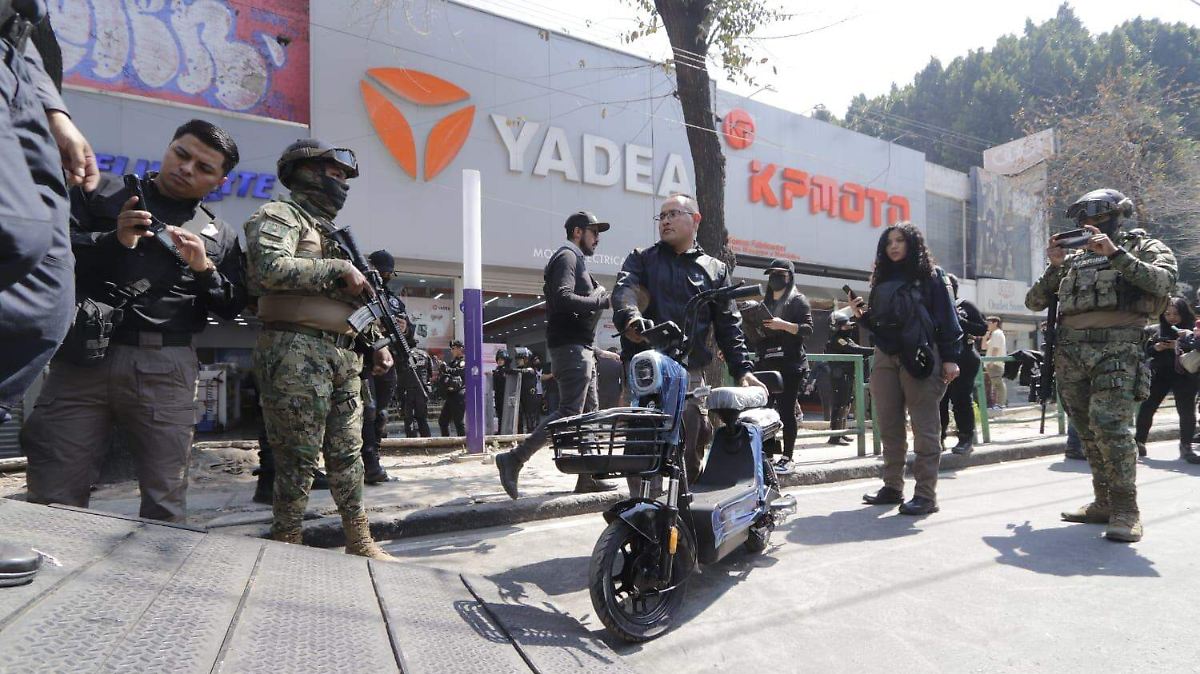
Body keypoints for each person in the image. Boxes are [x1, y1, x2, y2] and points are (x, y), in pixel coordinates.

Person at [21, 119, 246, 522]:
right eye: (181, 154)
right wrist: (115, 241)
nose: (186, 168)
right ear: (169, 147)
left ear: (220, 181)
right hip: (82, 359)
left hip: (166, 367)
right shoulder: (103, 194)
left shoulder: (220, 235)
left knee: (165, 500)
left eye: (203, 167)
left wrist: (204, 269)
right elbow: (50, 254)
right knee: (53, 493)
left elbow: (233, 305)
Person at [243, 138, 393, 559]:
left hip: (344, 355)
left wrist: (378, 343)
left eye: (346, 177)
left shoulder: (333, 233)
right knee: (297, 457)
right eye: (335, 174)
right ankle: (287, 541)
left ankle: (359, 540)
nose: (342, 184)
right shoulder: (280, 215)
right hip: (295, 350)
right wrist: (337, 268)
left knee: (348, 454)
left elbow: (355, 301)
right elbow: (269, 268)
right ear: (305, 172)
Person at [1026, 188, 1176, 543]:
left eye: (1097, 218)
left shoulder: (1142, 247)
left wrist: (1116, 254)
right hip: (1071, 353)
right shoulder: (1074, 259)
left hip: (1118, 350)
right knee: (1086, 431)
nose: (1090, 225)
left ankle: (1126, 509)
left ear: (1116, 218)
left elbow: (1163, 281)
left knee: (1111, 427)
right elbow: (1034, 302)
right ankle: (1103, 502)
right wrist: (1055, 265)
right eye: (1085, 220)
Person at [612, 194, 765, 483]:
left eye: (673, 214)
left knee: (689, 448)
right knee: (641, 448)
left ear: (695, 220)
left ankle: (686, 505)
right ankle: (643, 507)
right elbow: (625, 290)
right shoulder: (641, 258)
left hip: (689, 372)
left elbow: (729, 324)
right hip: (645, 371)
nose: (665, 221)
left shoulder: (715, 269)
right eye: (662, 216)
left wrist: (742, 369)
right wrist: (631, 318)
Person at [0, 3, 98, 425]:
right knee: (17, 233)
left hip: (19, 65)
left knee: (48, 299)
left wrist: (55, 112)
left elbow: (21, 29)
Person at [496, 211, 614, 498]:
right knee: (569, 412)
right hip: (571, 349)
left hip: (581, 349)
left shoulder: (577, 261)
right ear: (577, 232)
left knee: (589, 416)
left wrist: (597, 350)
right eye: (593, 232)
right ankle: (514, 459)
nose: (597, 238)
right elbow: (562, 298)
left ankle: (587, 476)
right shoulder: (567, 257)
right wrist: (599, 301)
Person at [853, 222, 962, 516]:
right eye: (889, 242)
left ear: (912, 243)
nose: (894, 246)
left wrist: (950, 357)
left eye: (900, 240)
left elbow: (948, 317)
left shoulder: (932, 276)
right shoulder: (882, 278)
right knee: (888, 423)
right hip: (885, 356)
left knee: (924, 427)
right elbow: (882, 324)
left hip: (921, 354)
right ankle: (892, 486)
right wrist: (861, 317)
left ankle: (926, 495)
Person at [752, 258, 813, 474]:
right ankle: (767, 456)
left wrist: (784, 325)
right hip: (766, 364)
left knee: (787, 411)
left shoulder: (798, 301)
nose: (775, 278)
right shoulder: (765, 304)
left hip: (790, 365)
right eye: (771, 274)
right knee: (764, 412)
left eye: (780, 274)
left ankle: (788, 457)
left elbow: (807, 329)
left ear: (790, 276)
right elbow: (756, 334)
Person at [1135, 297, 1200, 463]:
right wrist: (1156, 348)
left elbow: (1197, 347)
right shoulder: (1156, 330)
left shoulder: (1193, 329)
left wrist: (1180, 343)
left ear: (1184, 313)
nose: (1171, 318)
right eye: (1167, 314)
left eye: (1176, 314)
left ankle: (1186, 446)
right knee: (1148, 407)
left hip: (1185, 376)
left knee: (1186, 411)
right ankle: (1139, 442)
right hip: (1160, 375)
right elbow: (1145, 352)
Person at [358, 249, 400, 483]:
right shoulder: (360, 292)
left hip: (388, 365)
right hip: (364, 362)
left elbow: (407, 335)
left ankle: (374, 460)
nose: (385, 277)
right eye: (381, 272)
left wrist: (404, 328)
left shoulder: (391, 300)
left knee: (380, 414)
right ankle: (368, 463)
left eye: (388, 274)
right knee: (368, 412)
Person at [940, 274, 988, 455]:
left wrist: (960, 321)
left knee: (960, 398)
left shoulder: (965, 305)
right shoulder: (935, 307)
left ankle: (966, 438)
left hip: (965, 357)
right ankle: (938, 438)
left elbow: (982, 328)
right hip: (941, 358)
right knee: (939, 400)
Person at [825, 309, 873, 445]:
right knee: (839, 404)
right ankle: (835, 436)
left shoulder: (846, 339)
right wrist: (875, 350)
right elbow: (855, 350)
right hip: (839, 376)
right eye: (845, 326)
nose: (849, 328)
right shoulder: (837, 340)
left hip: (847, 375)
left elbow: (855, 347)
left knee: (846, 403)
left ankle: (841, 432)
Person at [395, 315, 432, 438]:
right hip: (421, 392)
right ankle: (427, 443)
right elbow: (430, 375)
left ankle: (412, 444)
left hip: (407, 392)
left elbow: (398, 375)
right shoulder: (425, 355)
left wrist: (398, 395)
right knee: (422, 420)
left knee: (409, 421)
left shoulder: (402, 356)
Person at [438, 339, 466, 436]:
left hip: (459, 394)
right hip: (451, 394)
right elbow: (447, 373)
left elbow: (459, 372)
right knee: (443, 421)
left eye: (453, 348)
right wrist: (442, 368)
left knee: (458, 422)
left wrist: (446, 368)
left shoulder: (464, 361)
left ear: (460, 349)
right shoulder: (453, 361)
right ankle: (446, 441)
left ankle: (462, 442)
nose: (451, 351)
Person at [982, 316, 1007, 409]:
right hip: (992, 363)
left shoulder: (997, 333)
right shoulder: (994, 334)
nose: (987, 325)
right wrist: (985, 337)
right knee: (995, 385)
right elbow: (984, 347)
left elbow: (996, 348)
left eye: (989, 323)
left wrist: (991, 361)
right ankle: (997, 404)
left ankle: (1000, 404)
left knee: (998, 384)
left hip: (995, 364)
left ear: (995, 323)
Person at [492, 349, 510, 433]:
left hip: (505, 395)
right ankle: (500, 430)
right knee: (499, 414)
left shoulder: (507, 370)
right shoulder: (497, 370)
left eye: (502, 359)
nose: (499, 361)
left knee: (505, 414)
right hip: (498, 395)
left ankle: (505, 431)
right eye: (498, 359)